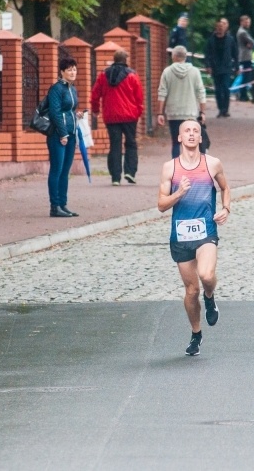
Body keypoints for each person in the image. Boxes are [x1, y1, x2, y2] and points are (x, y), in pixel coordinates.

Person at [157, 120, 231, 356]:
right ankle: (196, 334)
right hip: (180, 235)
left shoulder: (212, 164)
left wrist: (226, 209)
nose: (191, 134)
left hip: (206, 230)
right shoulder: (170, 168)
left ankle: (210, 297)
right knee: (191, 291)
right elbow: (160, 205)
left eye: (195, 131)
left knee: (206, 275)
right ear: (179, 138)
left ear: (200, 138)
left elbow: (225, 188)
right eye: (186, 131)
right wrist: (179, 193)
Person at [90, 49, 144, 186]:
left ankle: (115, 177)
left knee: (115, 145)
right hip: (130, 115)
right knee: (131, 143)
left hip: (111, 116)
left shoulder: (103, 75)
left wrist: (95, 109)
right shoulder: (132, 75)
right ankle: (130, 172)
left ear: (114, 59)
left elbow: (95, 94)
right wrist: (139, 113)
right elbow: (139, 97)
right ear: (126, 60)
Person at [46, 56, 81, 217]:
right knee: (57, 169)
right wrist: (63, 133)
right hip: (58, 135)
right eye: (69, 70)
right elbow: (55, 112)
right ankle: (55, 206)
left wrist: (77, 115)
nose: (73, 72)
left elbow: (69, 110)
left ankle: (63, 204)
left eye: (74, 69)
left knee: (65, 170)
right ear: (62, 72)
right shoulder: (56, 89)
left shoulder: (72, 89)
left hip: (71, 134)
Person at [157, 46, 207, 159]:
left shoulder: (167, 72)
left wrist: (160, 113)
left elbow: (162, 93)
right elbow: (201, 93)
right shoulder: (195, 72)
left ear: (173, 56)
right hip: (191, 114)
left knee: (176, 143)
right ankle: (192, 168)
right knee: (191, 143)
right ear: (185, 57)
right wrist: (203, 112)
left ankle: (176, 170)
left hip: (173, 114)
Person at [204, 19, 237, 118]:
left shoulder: (230, 39)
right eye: (218, 27)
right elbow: (207, 54)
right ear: (216, 29)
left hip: (226, 67)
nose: (220, 29)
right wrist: (208, 66)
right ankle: (220, 109)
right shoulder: (211, 40)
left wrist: (237, 66)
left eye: (222, 27)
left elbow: (235, 54)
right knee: (218, 90)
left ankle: (225, 109)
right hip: (215, 68)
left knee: (226, 88)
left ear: (225, 29)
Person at [236, 15, 254, 102]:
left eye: (248, 22)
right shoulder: (242, 32)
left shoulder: (243, 31)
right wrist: (250, 44)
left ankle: (243, 94)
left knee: (246, 76)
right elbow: (252, 42)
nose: (248, 24)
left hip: (245, 56)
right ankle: (243, 95)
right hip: (245, 57)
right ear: (242, 22)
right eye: (246, 22)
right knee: (246, 77)